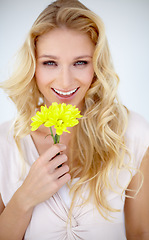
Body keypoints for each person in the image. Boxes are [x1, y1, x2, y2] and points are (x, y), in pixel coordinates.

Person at [0, 0, 149, 239]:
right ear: (33, 67)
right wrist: (24, 198)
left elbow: (141, 232)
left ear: (97, 66)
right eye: (50, 63)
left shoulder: (132, 132)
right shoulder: (5, 143)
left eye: (80, 63)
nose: (65, 81)